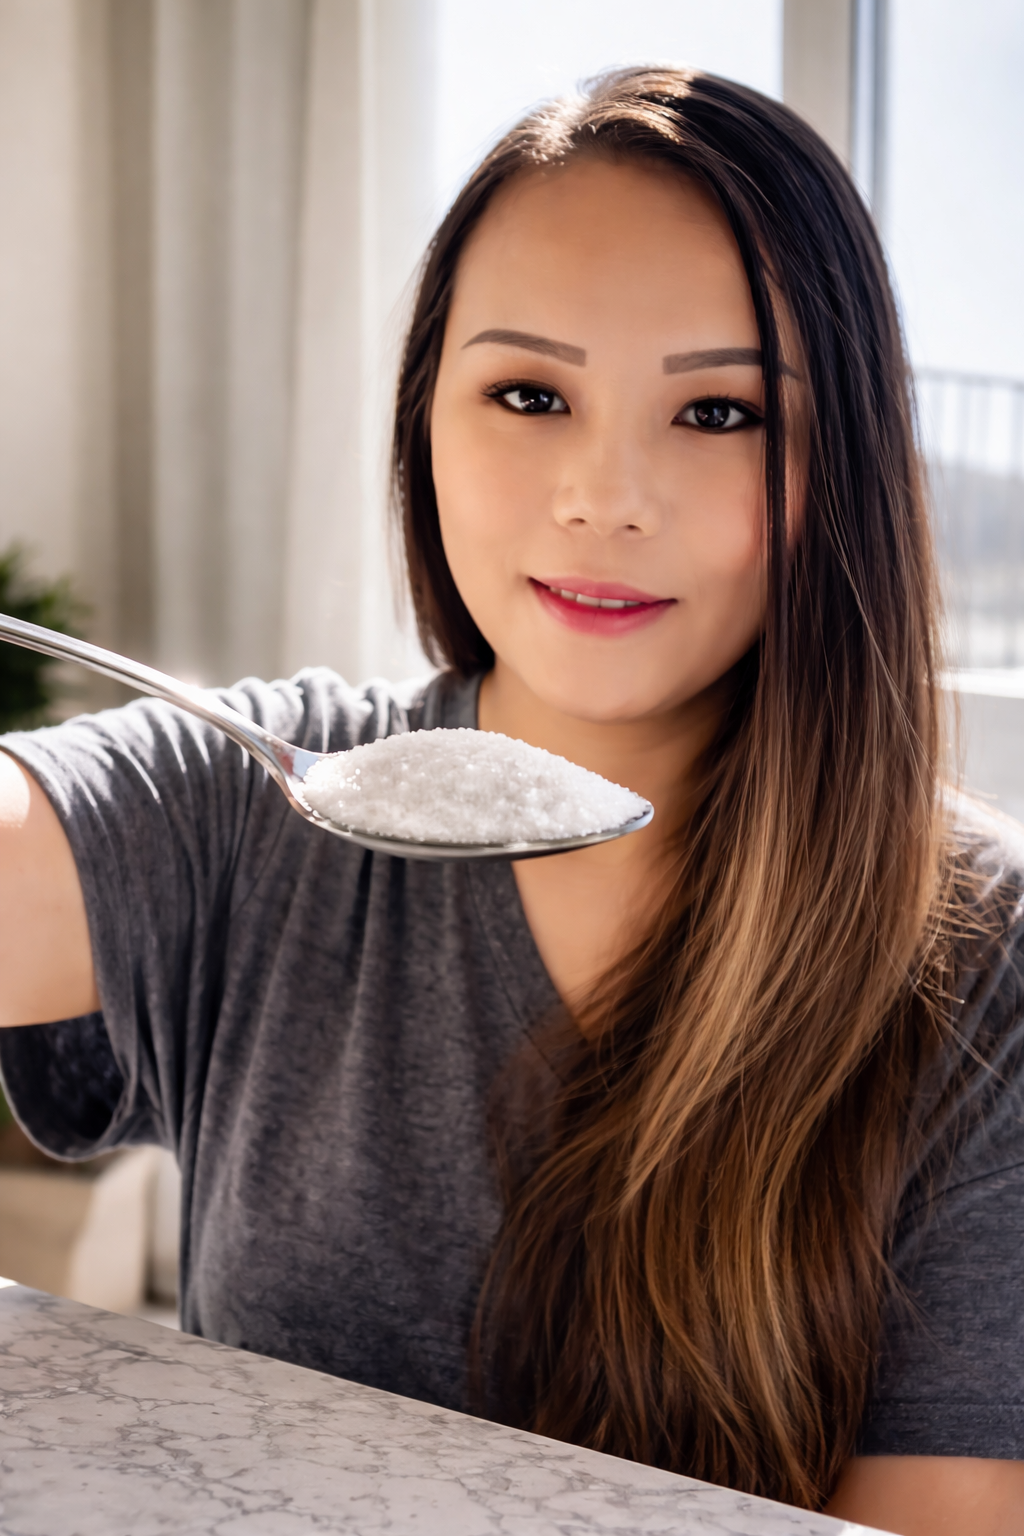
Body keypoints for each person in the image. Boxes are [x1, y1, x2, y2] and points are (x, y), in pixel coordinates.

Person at [0, 67, 1020, 1534]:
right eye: (529, 394)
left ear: (842, 465)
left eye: (720, 412)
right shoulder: (256, 794)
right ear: (426, 425)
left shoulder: (986, 961)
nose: (605, 495)